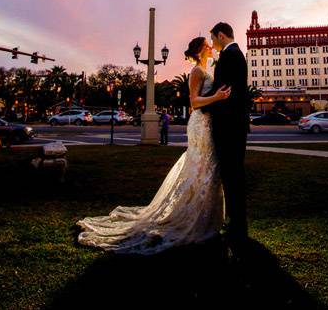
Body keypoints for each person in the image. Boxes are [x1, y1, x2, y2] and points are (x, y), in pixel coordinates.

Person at [74, 36, 231, 255]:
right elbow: (194, 103)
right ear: (200, 49)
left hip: (208, 123)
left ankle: (206, 218)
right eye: (207, 44)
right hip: (199, 125)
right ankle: (193, 218)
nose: (211, 46)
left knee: (207, 168)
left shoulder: (207, 70)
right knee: (202, 167)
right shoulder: (196, 71)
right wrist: (217, 97)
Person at [204, 22, 250, 255]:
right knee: (233, 175)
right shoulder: (234, 55)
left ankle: (237, 226)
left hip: (229, 127)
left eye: (213, 39)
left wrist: (204, 103)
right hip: (233, 126)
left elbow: (225, 93)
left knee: (232, 175)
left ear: (221, 36)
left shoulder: (231, 56)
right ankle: (237, 224)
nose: (212, 43)